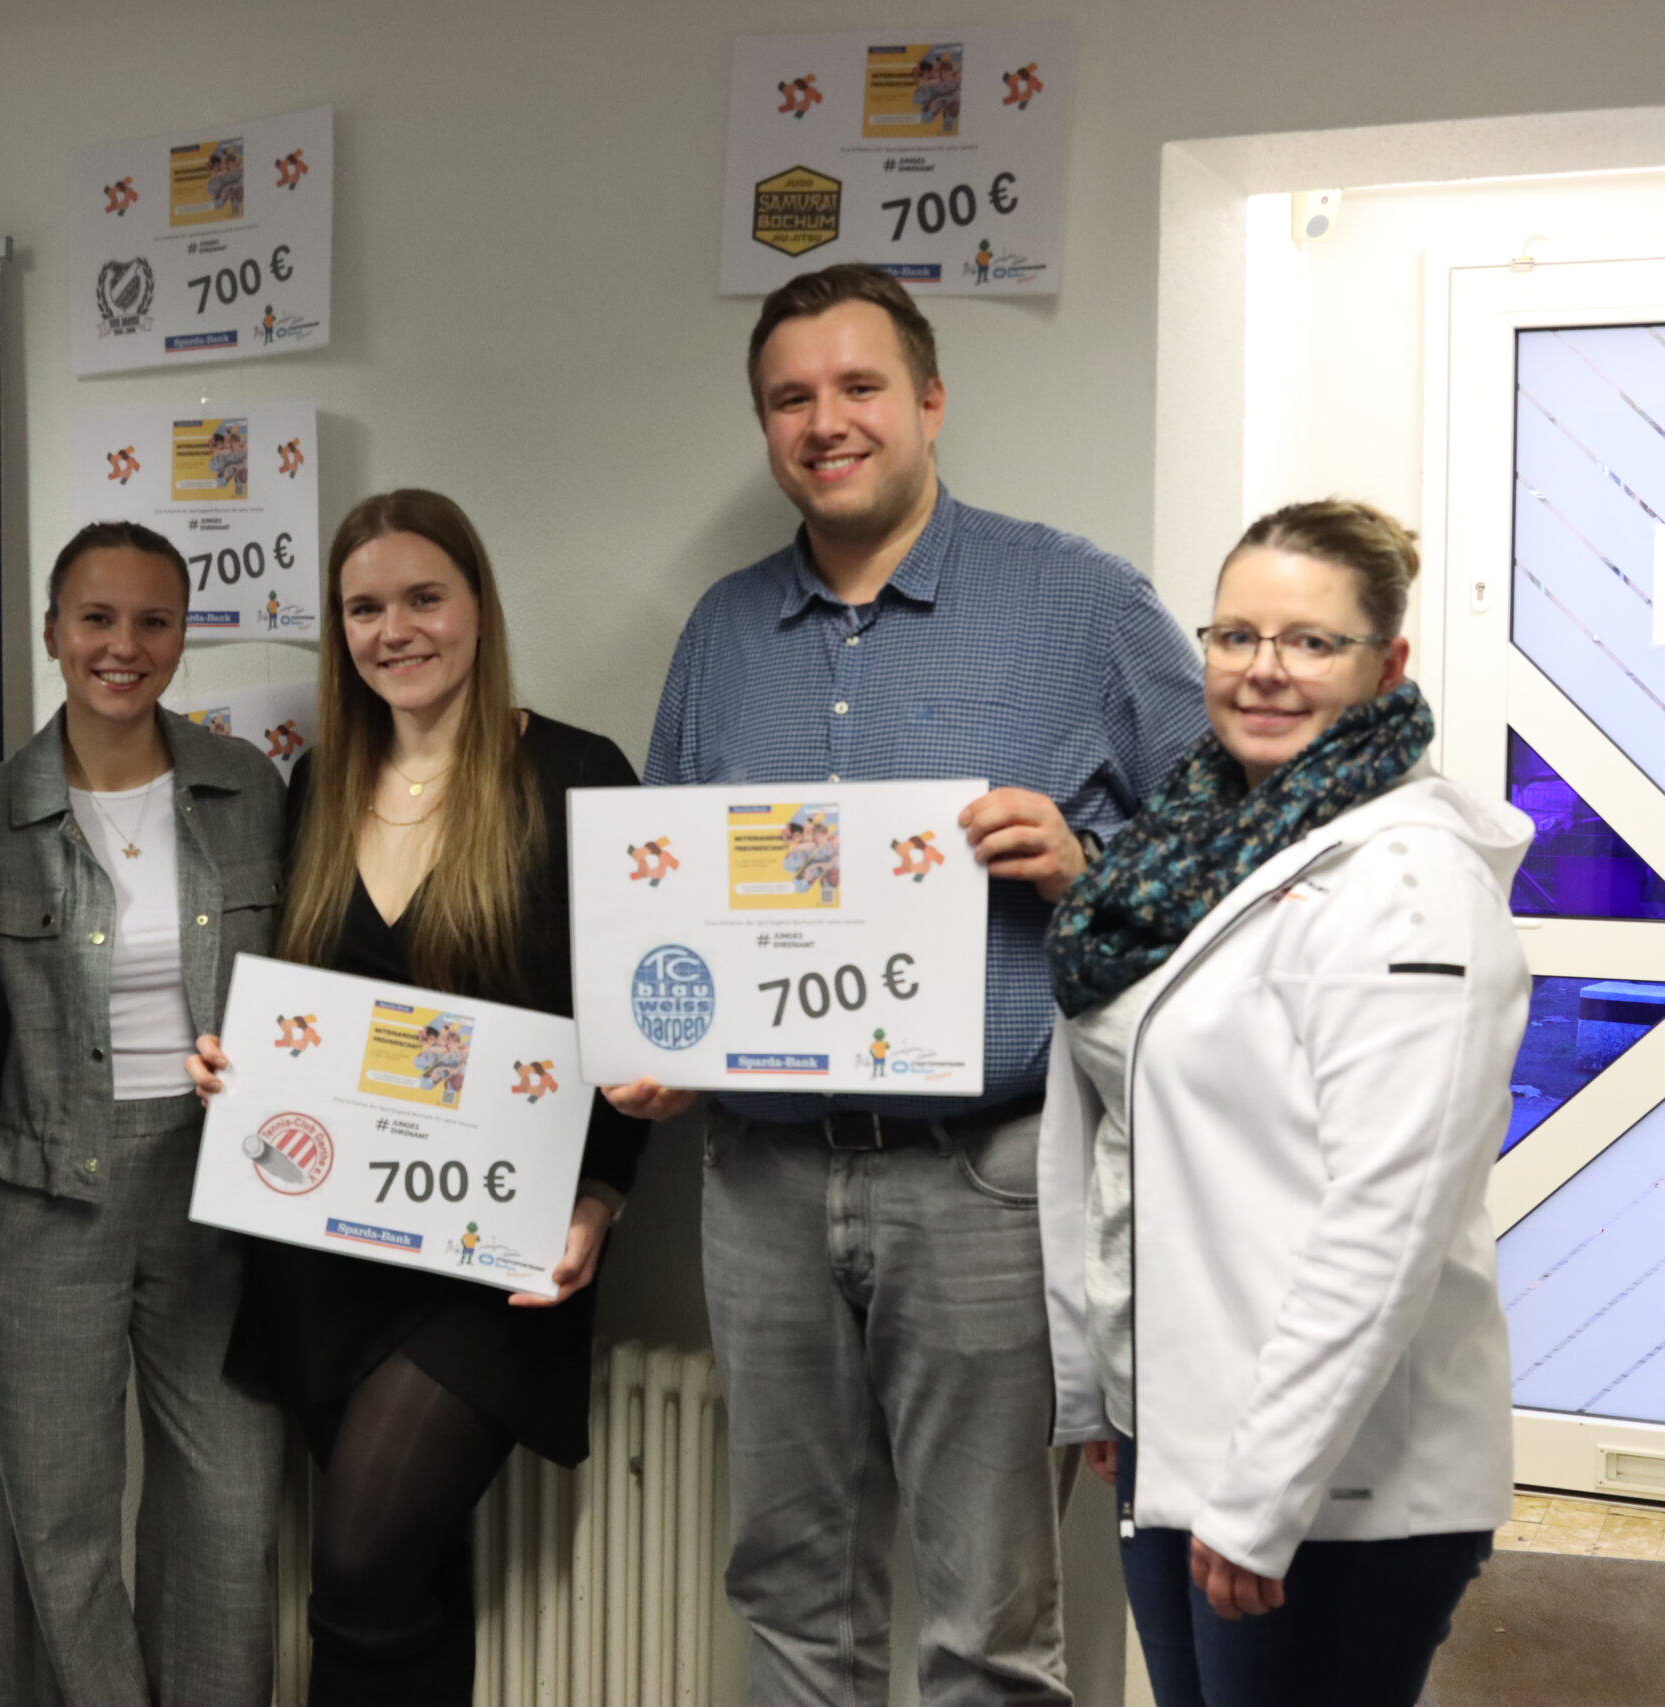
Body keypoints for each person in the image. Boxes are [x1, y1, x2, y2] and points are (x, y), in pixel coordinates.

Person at [613, 263, 1206, 1705]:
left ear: (930, 400)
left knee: (987, 1617)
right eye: (790, 398)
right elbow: (670, 890)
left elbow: (1225, 861)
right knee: (788, 1592)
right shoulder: (721, 633)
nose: (826, 421)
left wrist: (1084, 865)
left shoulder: (1082, 603)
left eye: (858, 385)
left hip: (985, 1182)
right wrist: (659, 1038)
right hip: (760, 1182)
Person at [1041, 500, 1528, 1707]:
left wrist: (1263, 1493)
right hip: (1181, 1429)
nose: (1263, 669)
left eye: (1311, 642)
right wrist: (1112, 1384)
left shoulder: (1408, 885)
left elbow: (1385, 1221)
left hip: (1328, 1483)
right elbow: (1137, 1141)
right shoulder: (1195, 847)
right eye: (1236, 635)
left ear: (1386, 666)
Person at [187, 489, 645, 1705]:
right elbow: (299, 1013)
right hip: (325, 1252)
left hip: (490, 1263)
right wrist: (235, 1069)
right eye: (363, 609)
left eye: (423, 597)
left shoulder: (575, 775)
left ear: (478, 605)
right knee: (413, 1590)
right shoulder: (315, 787)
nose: (394, 631)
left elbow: (632, 1031)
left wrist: (601, 1197)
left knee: (358, 1577)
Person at [0, 521, 285, 1707]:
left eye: (151, 621)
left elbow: (304, 983)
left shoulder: (249, 790)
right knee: (58, 1520)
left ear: (181, 636)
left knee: (230, 1507)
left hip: (218, 1190)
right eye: (95, 618)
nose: (122, 646)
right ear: (51, 633)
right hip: (39, 1195)